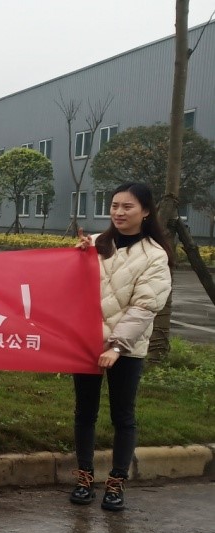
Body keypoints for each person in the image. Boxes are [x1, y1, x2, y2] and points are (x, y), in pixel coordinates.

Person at [70, 182, 172, 511]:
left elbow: (145, 306)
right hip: (87, 343)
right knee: (84, 412)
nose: (118, 212)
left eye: (127, 207)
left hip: (126, 348)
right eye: (115, 205)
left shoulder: (155, 256)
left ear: (146, 211)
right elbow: (67, 282)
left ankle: (116, 482)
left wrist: (116, 346)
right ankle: (84, 477)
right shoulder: (96, 244)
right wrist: (76, 255)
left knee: (123, 416)